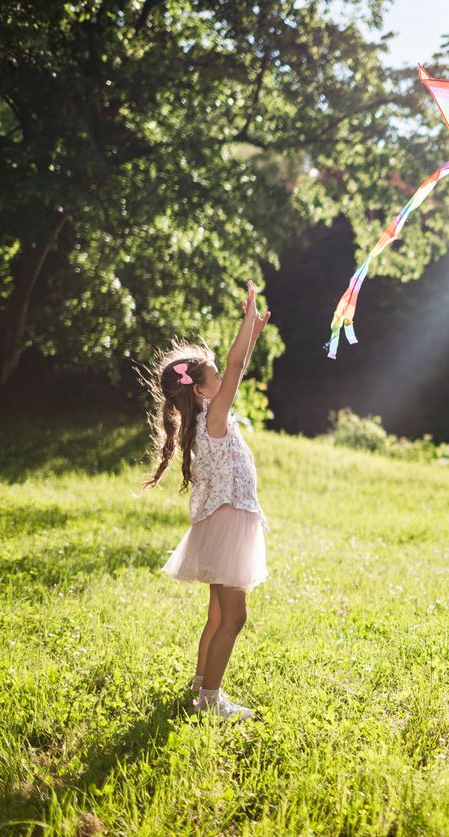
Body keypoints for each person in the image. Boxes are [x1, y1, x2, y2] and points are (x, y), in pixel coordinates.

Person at [142, 281, 271, 719]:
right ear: (199, 389)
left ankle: (201, 686)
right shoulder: (214, 418)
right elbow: (235, 368)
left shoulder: (209, 418)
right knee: (234, 618)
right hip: (231, 523)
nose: (224, 378)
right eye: (214, 375)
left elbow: (235, 368)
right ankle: (211, 701)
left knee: (218, 617)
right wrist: (247, 317)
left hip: (221, 524)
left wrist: (252, 334)